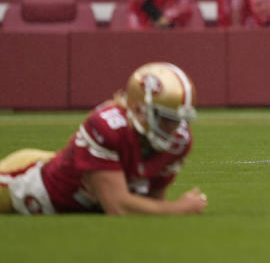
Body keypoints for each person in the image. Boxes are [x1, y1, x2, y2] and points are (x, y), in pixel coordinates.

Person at [0, 62, 207, 216]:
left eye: (178, 119)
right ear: (138, 108)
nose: (174, 127)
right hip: (23, 181)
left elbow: (150, 204)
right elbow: (118, 207)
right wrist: (179, 209)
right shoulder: (108, 126)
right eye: (165, 118)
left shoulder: (179, 141)